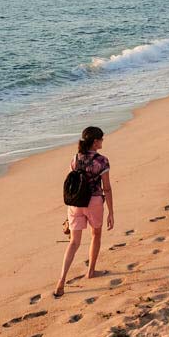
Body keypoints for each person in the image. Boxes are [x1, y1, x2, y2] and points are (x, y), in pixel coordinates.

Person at [54, 126, 114, 297]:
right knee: (96, 235)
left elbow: (73, 183)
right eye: (101, 139)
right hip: (94, 202)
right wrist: (111, 212)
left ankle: (61, 280)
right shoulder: (102, 161)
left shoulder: (75, 158)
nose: (102, 141)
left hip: (75, 204)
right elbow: (107, 189)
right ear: (95, 142)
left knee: (74, 242)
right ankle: (91, 271)